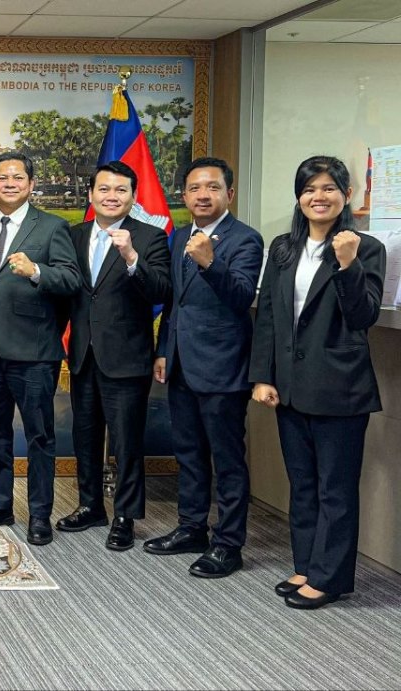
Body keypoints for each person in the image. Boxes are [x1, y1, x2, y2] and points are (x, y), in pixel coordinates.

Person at [250, 155, 384, 609]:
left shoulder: (365, 248)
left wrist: (348, 265)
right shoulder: (283, 248)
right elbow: (268, 315)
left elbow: (363, 316)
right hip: (289, 387)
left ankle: (331, 577)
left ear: (346, 195)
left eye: (329, 188)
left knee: (335, 489)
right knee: (302, 484)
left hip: (340, 388)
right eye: (310, 189)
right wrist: (262, 376)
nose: (318, 197)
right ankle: (306, 564)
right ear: (299, 197)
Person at [146, 157, 264, 578]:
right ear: (184, 195)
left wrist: (211, 262)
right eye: (195, 188)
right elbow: (175, 303)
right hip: (181, 363)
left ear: (229, 193)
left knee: (227, 459)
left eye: (212, 187)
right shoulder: (180, 236)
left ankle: (228, 544)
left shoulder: (246, 239)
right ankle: (191, 528)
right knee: (189, 454)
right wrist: (164, 349)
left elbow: (241, 296)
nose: (203, 195)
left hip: (223, 367)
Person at [0, 152, 81, 546]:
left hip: (34, 351)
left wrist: (36, 272)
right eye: (2, 177)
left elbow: (71, 280)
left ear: (31, 184)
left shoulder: (52, 227)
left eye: (18, 177)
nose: (10, 183)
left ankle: (39, 514)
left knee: (39, 436)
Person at [56, 161, 170, 550]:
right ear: (91, 194)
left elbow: (162, 290)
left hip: (126, 357)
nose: (111, 196)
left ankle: (125, 515)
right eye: (104, 189)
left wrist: (133, 258)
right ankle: (90, 505)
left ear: (133, 196)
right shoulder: (73, 235)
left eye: (121, 190)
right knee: (85, 435)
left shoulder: (150, 237)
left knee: (126, 441)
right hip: (82, 354)